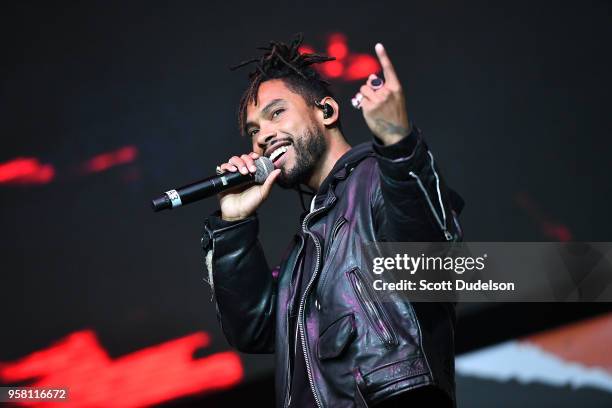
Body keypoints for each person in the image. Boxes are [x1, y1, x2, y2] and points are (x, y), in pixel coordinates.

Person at [200, 34, 464, 407]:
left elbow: (435, 258)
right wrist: (234, 225)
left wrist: (398, 144)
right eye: (254, 131)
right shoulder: (303, 254)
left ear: (326, 112)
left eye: (276, 113)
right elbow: (254, 330)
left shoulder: (376, 177)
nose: (263, 138)